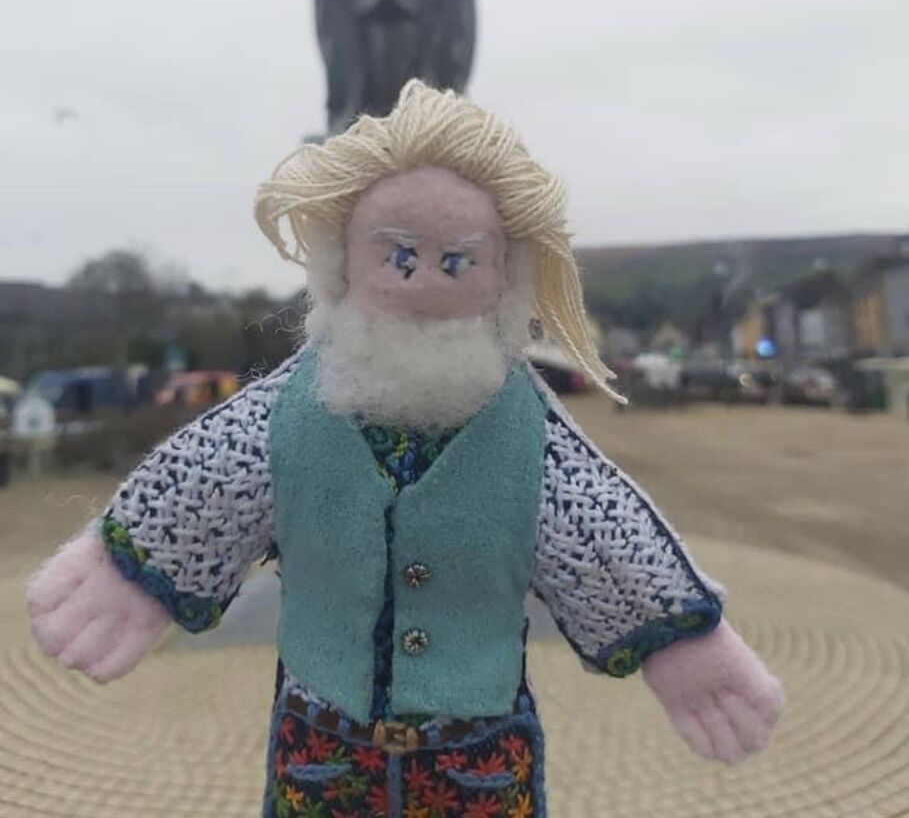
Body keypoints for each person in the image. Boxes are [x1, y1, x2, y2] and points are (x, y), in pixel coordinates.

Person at [29, 81, 783, 817]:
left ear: (503, 275)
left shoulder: (532, 433)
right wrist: (136, 563)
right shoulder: (282, 414)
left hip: (479, 765)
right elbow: (206, 486)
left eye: (457, 260)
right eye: (398, 257)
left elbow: (600, 535)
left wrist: (680, 639)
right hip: (320, 755)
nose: (424, 279)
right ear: (343, 262)